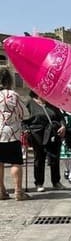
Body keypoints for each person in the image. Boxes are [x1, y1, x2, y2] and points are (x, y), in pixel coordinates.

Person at [0, 69, 30, 200]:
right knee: (15, 162)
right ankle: (18, 192)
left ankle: (1, 191)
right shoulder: (12, 95)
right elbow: (25, 114)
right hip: (11, 133)